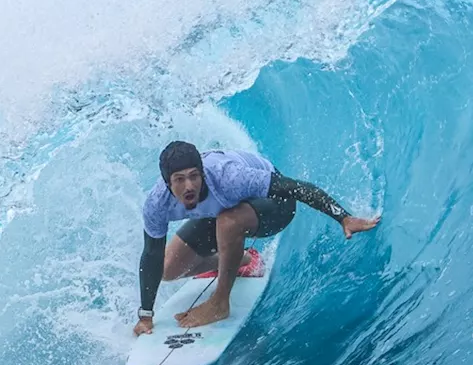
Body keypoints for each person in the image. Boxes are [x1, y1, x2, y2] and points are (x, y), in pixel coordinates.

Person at [134, 140, 379, 335]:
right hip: (219, 213)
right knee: (168, 269)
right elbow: (151, 255)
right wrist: (146, 316)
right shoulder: (157, 204)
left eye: (194, 176)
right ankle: (242, 260)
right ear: (167, 183)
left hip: (275, 207)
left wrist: (343, 217)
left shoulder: (228, 178)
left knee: (228, 222)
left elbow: (295, 189)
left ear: (202, 174)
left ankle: (220, 303)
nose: (189, 185)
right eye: (179, 179)